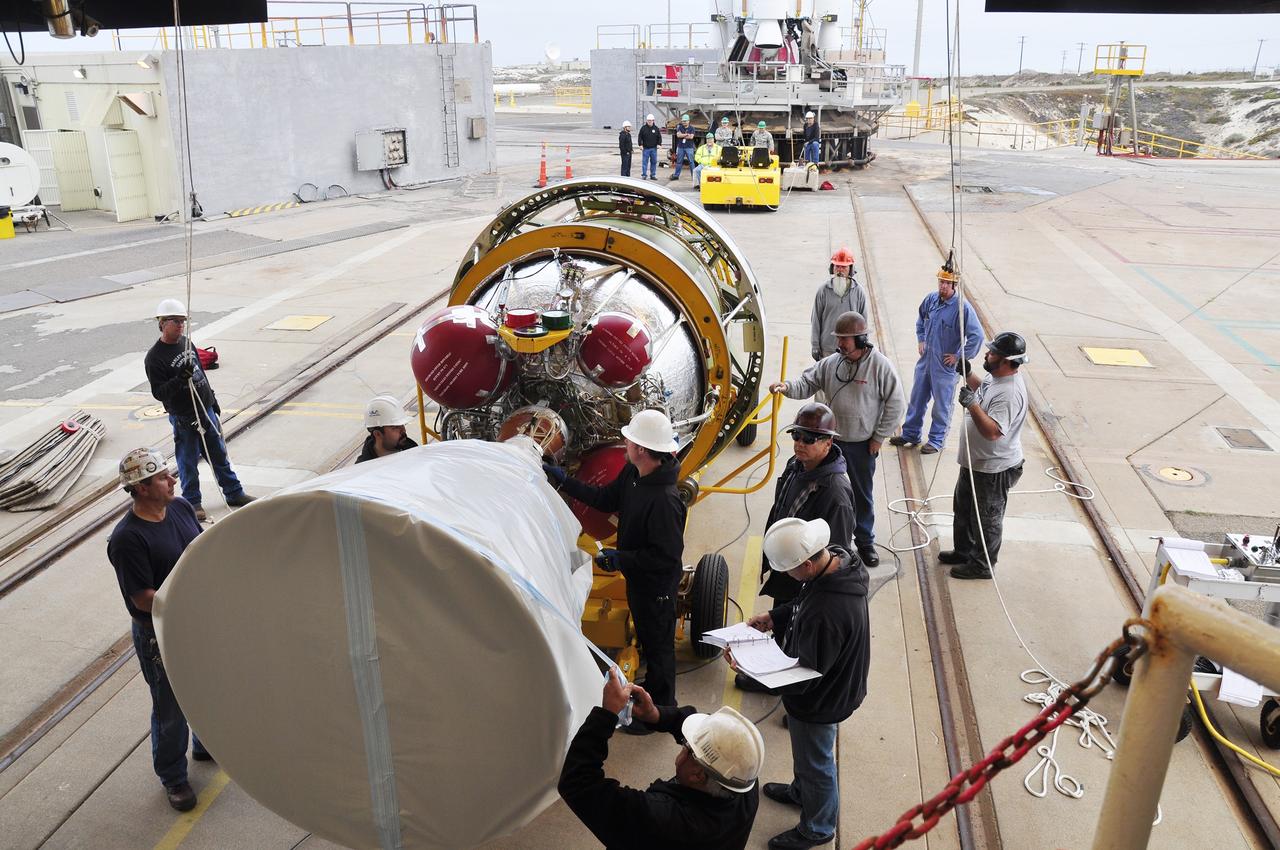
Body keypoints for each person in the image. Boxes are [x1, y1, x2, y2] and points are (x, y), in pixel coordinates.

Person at [734, 517, 870, 850]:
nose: (787, 577)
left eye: (790, 571)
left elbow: (804, 678)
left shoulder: (828, 611)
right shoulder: (835, 564)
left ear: (807, 563)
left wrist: (752, 668)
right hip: (831, 688)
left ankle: (818, 827)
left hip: (822, 701)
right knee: (808, 754)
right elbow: (802, 603)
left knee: (817, 762)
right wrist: (776, 617)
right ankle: (801, 791)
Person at [544, 409, 687, 713]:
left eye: (629, 441)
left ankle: (660, 709)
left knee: (659, 649)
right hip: (638, 579)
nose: (624, 443)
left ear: (641, 450)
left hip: (656, 587)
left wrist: (621, 558)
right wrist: (565, 482)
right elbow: (605, 499)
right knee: (650, 641)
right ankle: (652, 694)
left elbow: (664, 558)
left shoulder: (665, 500)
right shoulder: (634, 475)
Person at [107, 448, 212, 812]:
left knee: (202, 689)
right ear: (141, 488)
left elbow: (201, 552)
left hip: (196, 620)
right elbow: (143, 599)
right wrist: (186, 601)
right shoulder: (127, 539)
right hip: (159, 634)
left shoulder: (181, 508)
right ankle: (174, 777)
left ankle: (203, 743)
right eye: (163, 477)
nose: (173, 480)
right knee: (169, 708)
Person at [558, 670, 764, 850]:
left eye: (687, 746)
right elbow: (718, 736)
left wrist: (606, 715)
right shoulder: (744, 782)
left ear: (698, 775)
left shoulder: (660, 819)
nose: (683, 745)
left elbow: (578, 783)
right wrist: (655, 714)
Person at [771, 312, 904, 568]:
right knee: (824, 494)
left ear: (862, 339)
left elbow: (896, 403)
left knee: (860, 494)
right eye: (839, 338)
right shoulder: (832, 363)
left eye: (845, 339)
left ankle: (864, 541)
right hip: (828, 444)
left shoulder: (880, 366)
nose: (840, 344)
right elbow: (807, 381)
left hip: (860, 446)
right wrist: (786, 387)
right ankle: (822, 543)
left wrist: (878, 436)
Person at [145, 299, 254, 521]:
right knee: (188, 462)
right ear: (162, 323)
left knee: (219, 455)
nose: (180, 326)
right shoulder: (155, 357)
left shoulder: (187, 343)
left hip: (205, 411)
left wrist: (212, 400)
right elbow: (159, 393)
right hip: (184, 417)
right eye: (176, 321)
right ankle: (193, 503)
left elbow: (200, 375)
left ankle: (234, 492)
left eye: (183, 321)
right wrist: (179, 379)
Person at [941, 332, 1030, 580]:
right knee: (964, 509)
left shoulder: (1011, 393)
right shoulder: (996, 377)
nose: (986, 354)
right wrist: (968, 375)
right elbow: (984, 391)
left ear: (1006, 360)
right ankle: (964, 551)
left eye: (991, 353)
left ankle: (982, 565)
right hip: (975, 462)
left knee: (986, 519)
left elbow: (992, 432)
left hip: (993, 469)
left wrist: (971, 405)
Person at [758, 403, 855, 607]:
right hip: (788, 570)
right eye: (796, 435)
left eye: (809, 439)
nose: (800, 443)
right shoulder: (796, 464)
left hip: (805, 584)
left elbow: (837, 555)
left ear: (828, 443)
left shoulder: (835, 494)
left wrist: (813, 597)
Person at [890, 266, 983, 455]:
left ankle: (936, 440)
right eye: (941, 281)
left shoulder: (962, 308)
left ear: (954, 285)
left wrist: (959, 357)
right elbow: (920, 320)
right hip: (926, 362)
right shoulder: (931, 300)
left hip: (944, 367)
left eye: (947, 283)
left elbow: (977, 336)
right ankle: (911, 434)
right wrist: (921, 339)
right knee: (917, 399)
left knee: (942, 405)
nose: (942, 286)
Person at [810, 247, 867, 362]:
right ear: (832, 268)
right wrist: (815, 345)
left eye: (844, 267)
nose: (840, 270)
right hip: (827, 350)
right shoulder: (823, 291)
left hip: (851, 349)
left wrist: (863, 344)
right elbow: (815, 319)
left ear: (850, 269)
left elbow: (863, 321)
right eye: (837, 266)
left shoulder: (859, 292)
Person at [355, 395, 418, 464]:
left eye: (403, 425)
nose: (403, 430)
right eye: (395, 427)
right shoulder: (362, 468)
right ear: (378, 434)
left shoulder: (413, 450)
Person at [672, 113, 697, 181]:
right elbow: (678, 135)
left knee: (691, 162)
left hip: (689, 147)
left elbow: (691, 137)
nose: (684, 122)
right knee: (679, 161)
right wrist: (686, 134)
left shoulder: (692, 128)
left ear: (688, 121)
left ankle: (694, 176)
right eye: (683, 121)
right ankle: (676, 175)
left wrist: (682, 135)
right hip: (681, 147)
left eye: (685, 121)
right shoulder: (680, 127)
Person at [638, 114, 662, 180]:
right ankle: (644, 175)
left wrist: (659, 144)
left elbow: (659, 137)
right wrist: (640, 145)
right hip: (646, 149)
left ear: (653, 121)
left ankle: (653, 175)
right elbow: (640, 137)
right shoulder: (643, 128)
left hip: (654, 149)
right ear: (647, 121)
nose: (650, 122)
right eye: (649, 120)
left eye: (651, 120)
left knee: (654, 162)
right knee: (645, 162)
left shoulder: (656, 128)